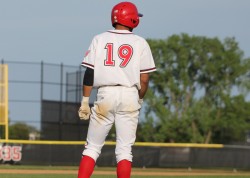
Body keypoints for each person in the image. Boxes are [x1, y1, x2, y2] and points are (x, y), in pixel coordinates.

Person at [78, 2, 156, 178]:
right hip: (130, 94)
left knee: (92, 148)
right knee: (124, 151)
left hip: (105, 94)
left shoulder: (99, 39)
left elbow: (89, 72)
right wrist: (140, 98)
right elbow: (144, 79)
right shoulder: (140, 42)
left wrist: (85, 101)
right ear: (133, 18)